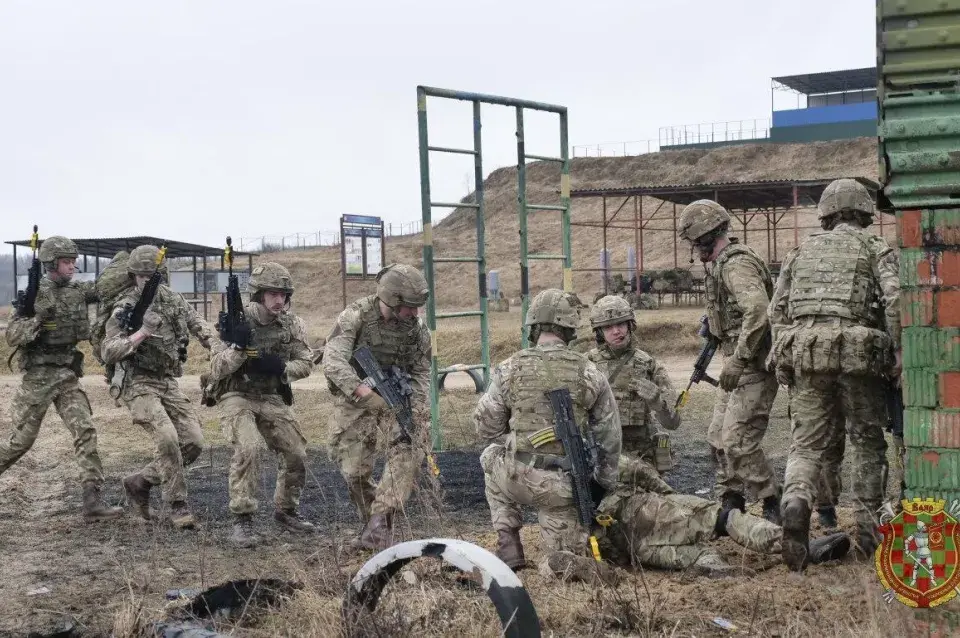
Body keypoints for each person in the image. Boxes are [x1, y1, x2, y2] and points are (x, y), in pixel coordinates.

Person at [768, 178, 900, 570]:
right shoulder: (875, 247)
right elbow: (894, 299)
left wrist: (787, 357)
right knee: (867, 443)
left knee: (806, 445)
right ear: (865, 213)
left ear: (825, 213)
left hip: (807, 355)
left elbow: (778, 311)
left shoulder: (799, 250)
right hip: (858, 360)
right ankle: (867, 532)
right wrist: (900, 352)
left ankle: (795, 502)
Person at [474, 289, 622, 571]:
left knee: (491, 455)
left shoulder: (508, 367)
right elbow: (609, 439)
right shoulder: (590, 372)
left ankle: (509, 543)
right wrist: (600, 484)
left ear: (533, 327)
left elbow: (485, 425)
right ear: (569, 329)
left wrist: (514, 439)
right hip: (563, 488)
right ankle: (556, 560)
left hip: (515, 476)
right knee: (563, 564)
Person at [1, 235, 123, 522]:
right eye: (67, 262)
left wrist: (127, 263)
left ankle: (92, 502)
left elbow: (107, 287)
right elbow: (12, 336)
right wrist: (37, 319)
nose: (72, 267)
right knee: (20, 442)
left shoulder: (78, 291)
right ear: (52, 264)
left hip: (67, 374)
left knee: (85, 431)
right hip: (38, 378)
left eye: (73, 262)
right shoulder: (34, 295)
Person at [678, 200, 781, 524]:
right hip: (735, 362)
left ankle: (772, 504)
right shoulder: (721, 264)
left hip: (752, 366)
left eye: (695, 244)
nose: (695, 252)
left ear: (706, 237)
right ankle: (731, 502)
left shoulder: (735, 264)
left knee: (738, 440)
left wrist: (738, 360)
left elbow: (758, 310)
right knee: (717, 439)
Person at [101, 244, 213, 529]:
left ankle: (140, 482)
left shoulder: (173, 300)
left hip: (166, 380)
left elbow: (198, 323)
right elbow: (109, 351)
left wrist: (217, 344)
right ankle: (178, 505)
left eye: (152, 276)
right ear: (133, 276)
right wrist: (141, 333)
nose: (146, 281)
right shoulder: (126, 307)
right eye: (141, 276)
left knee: (193, 442)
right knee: (167, 438)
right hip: (136, 381)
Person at [205, 262, 316, 547]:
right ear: (259, 295)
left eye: (283, 294)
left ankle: (286, 510)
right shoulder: (235, 322)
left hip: (271, 395)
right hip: (237, 394)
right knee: (249, 446)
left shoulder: (292, 324)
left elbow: (306, 362)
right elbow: (216, 368)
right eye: (272, 294)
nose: (279, 300)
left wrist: (280, 367)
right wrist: (238, 349)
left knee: (296, 452)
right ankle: (243, 520)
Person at [322, 263, 432, 550]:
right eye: (410, 306)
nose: (415, 313)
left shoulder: (417, 330)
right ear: (393, 299)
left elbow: (421, 370)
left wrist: (416, 407)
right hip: (357, 399)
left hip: (397, 398)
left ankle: (380, 522)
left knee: (409, 445)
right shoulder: (355, 317)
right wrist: (364, 392)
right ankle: (372, 522)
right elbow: (333, 361)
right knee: (355, 472)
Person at [586, 483, 851, 578]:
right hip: (647, 516)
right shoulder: (598, 460)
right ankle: (796, 544)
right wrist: (671, 498)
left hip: (639, 549)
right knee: (724, 519)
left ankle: (718, 569)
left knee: (697, 554)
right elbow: (638, 471)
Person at [586, 295, 680, 494]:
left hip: (641, 457)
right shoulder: (586, 366)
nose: (616, 331)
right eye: (608, 327)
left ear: (630, 325)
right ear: (600, 332)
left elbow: (673, 422)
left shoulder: (649, 365)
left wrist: (657, 402)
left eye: (620, 324)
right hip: (601, 456)